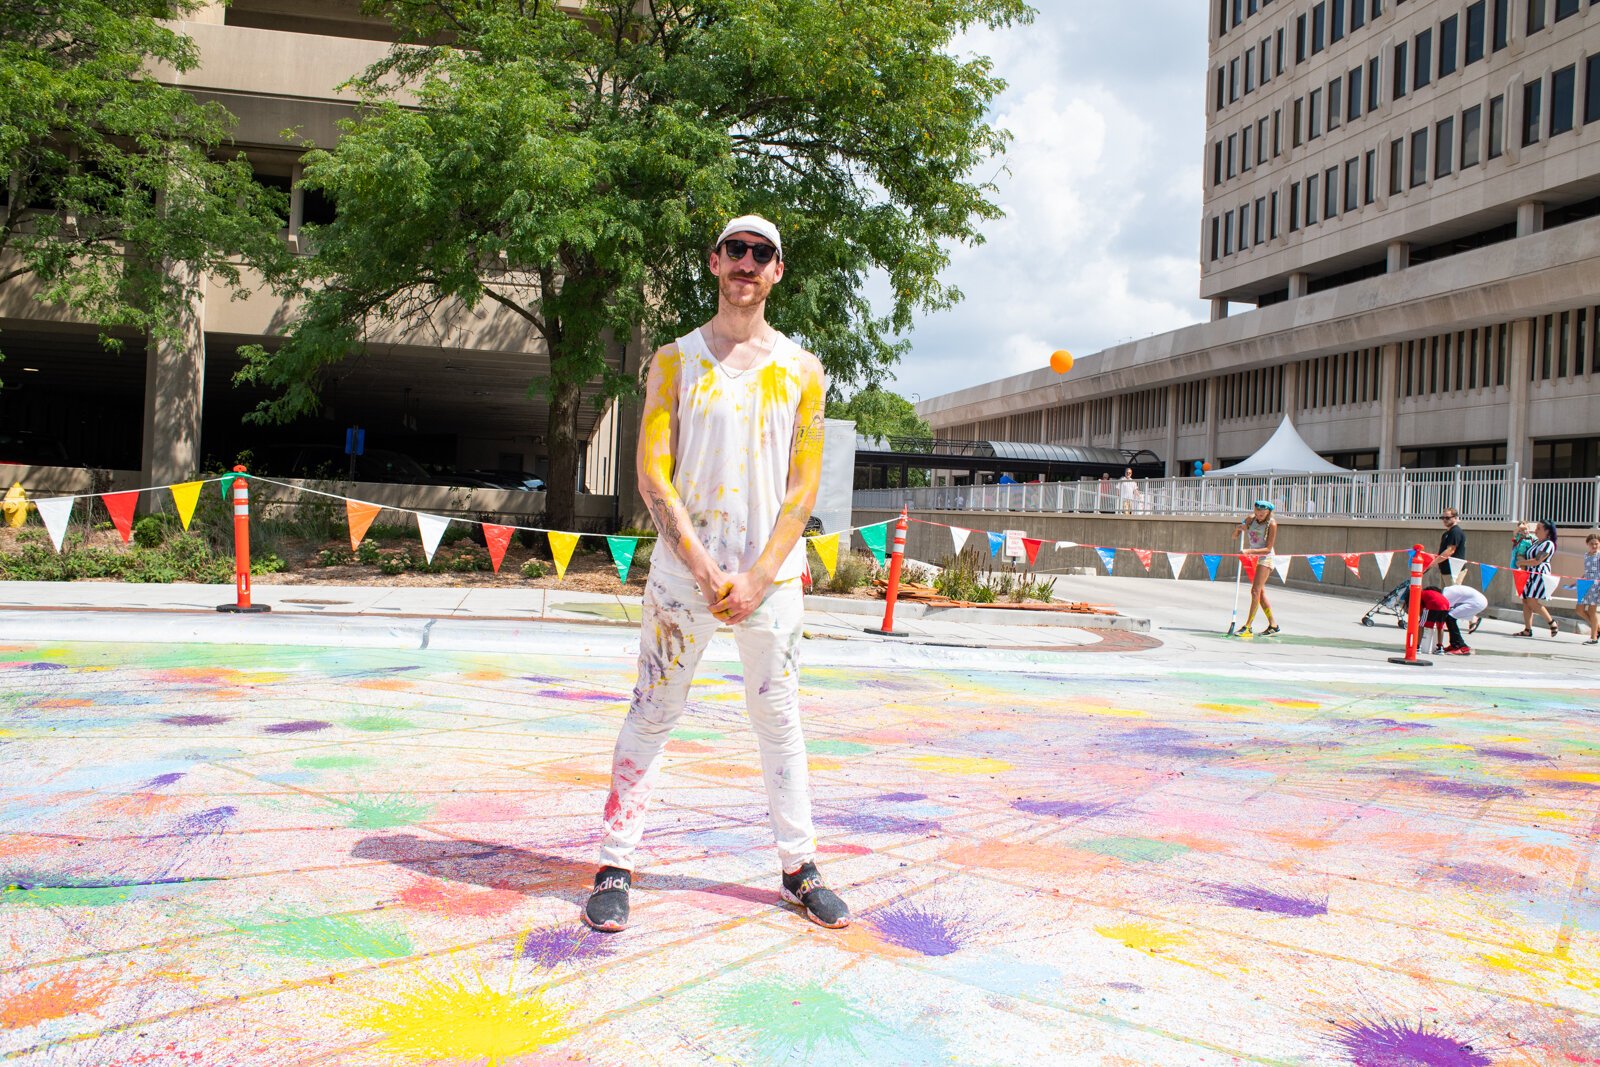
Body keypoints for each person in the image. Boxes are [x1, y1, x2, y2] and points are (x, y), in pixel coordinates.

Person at [583, 214, 849, 933]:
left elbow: (803, 488)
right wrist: (701, 567)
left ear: (777, 272)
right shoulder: (673, 360)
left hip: (772, 585)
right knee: (653, 710)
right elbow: (651, 472)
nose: (748, 263)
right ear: (714, 261)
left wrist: (760, 575)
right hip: (681, 578)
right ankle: (615, 862)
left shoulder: (803, 371)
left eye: (763, 254)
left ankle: (800, 868)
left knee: (779, 719)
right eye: (736, 250)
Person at [1234, 500, 1279, 637]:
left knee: (1255, 591)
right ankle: (1273, 625)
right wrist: (1238, 529)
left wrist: (1248, 551)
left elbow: (1267, 549)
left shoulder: (1272, 524)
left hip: (1265, 558)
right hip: (1253, 557)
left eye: (1262, 513)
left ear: (1268, 512)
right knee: (1260, 593)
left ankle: (1248, 626)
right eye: (1257, 512)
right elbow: (1234, 537)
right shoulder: (1250, 519)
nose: (1259, 515)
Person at [1515, 519, 1559, 638]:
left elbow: (1537, 561)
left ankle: (1551, 622)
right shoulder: (1535, 543)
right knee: (1525, 600)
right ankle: (1527, 629)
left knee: (1532, 601)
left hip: (1539, 574)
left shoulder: (1548, 544)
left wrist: (1521, 562)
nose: (1536, 530)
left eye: (1539, 528)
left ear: (1547, 531)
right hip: (1529, 574)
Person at [1577, 531, 1599, 645]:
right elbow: (1587, 571)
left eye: (1596, 543)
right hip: (1585, 584)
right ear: (1587, 544)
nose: (1594, 546)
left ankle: (1593, 637)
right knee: (1579, 610)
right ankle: (1597, 629)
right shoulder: (1586, 555)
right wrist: (1580, 579)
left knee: (1592, 611)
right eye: (1592, 543)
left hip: (1596, 585)